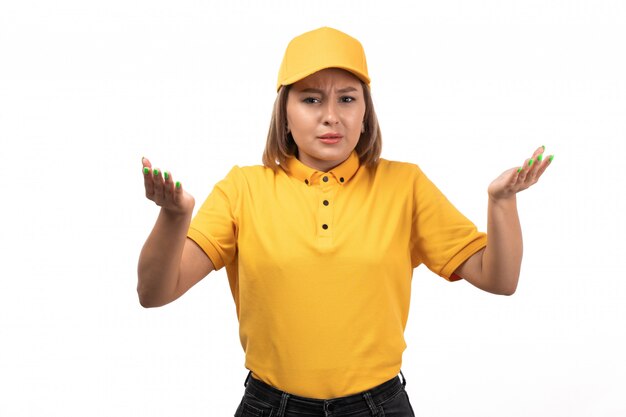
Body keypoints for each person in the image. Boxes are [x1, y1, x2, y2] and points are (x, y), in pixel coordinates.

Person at [138, 27, 553, 417]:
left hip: (379, 406)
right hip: (271, 405)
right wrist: (174, 217)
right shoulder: (241, 188)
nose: (331, 116)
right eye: (311, 99)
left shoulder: (404, 184)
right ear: (284, 112)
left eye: (348, 99)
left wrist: (501, 203)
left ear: (366, 112)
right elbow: (154, 293)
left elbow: (500, 280)